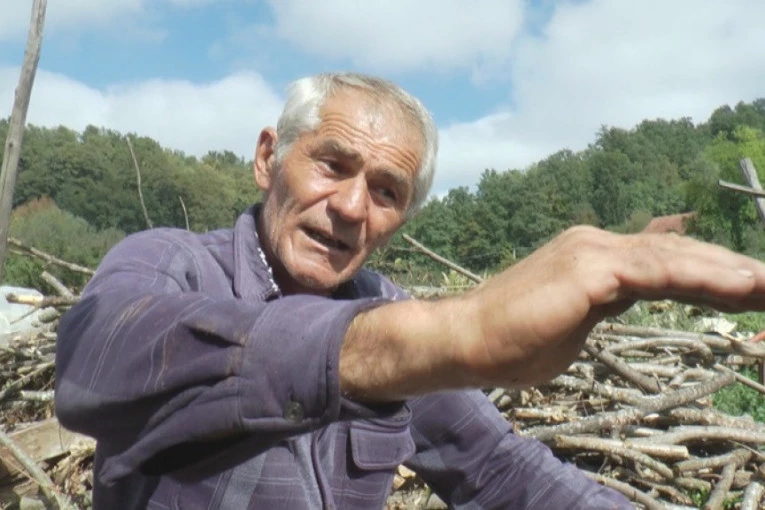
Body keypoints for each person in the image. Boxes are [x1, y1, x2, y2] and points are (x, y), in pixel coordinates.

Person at [54, 72, 765, 510]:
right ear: (269, 158)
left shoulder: (386, 309)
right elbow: (97, 359)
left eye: (386, 191)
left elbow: (498, 471)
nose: (351, 206)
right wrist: (456, 332)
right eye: (332, 164)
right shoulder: (168, 262)